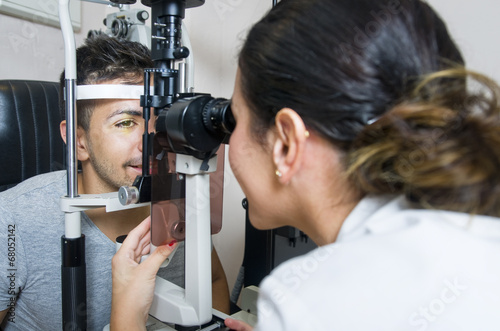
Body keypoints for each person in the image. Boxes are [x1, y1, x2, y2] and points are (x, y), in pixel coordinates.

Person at [110, 0, 500, 330]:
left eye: (236, 120)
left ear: (286, 143)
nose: (230, 137)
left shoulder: (307, 300)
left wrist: (125, 316)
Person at [0, 34, 229, 330]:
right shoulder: (13, 220)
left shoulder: (177, 199)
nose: (151, 143)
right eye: (125, 122)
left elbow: (213, 280)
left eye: (157, 121)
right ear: (78, 140)